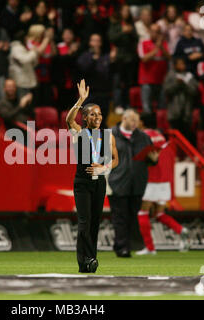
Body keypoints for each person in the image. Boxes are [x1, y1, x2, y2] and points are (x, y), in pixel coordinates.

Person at [66, 79, 118, 273]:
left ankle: (91, 260)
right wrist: (80, 101)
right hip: (82, 183)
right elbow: (69, 120)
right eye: (93, 114)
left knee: (95, 222)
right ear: (85, 118)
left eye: (99, 113)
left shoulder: (107, 135)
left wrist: (103, 168)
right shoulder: (80, 132)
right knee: (84, 222)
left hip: (99, 183)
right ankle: (83, 261)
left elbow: (115, 159)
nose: (98, 116)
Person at [136, 113, 190, 255]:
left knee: (142, 212)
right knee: (159, 214)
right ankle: (181, 230)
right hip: (164, 180)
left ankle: (150, 248)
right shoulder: (161, 137)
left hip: (151, 179)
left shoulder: (143, 137)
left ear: (142, 122)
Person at [108, 109, 158, 258]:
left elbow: (151, 158)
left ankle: (127, 245)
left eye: (137, 121)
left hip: (137, 183)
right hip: (117, 182)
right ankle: (122, 247)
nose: (135, 124)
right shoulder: (110, 135)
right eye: (132, 121)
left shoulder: (143, 137)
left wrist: (154, 159)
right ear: (124, 119)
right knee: (120, 217)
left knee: (132, 217)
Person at [77, 33, 117, 124]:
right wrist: (94, 59)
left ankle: (101, 138)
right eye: (93, 40)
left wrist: (113, 62)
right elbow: (84, 70)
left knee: (102, 122)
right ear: (90, 43)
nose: (96, 43)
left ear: (101, 43)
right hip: (89, 95)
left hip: (103, 95)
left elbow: (110, 74)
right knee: (88, 123)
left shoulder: (106, 58)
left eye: (98, 41)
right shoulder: (84, 57)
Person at [108, 3, 139, 114]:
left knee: (128, 84)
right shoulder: (115, 24)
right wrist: (123, 32)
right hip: (119, 58)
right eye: (124, 10)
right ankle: (118, 105)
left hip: (129, 58)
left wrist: (130, 32)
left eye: (127, 11)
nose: (125, 13)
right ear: (120, 12)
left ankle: (127, 105)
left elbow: (136, 38)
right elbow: (111, 38)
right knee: (117, 83)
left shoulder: (131, 24)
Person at [8, 28, 52, 99]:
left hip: (27, 81)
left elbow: (33, 63)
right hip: (21, 82)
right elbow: (25, 60)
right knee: (23, 102)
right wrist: (34, 51)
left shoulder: (23, 47)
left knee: (30, 103)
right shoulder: (16, 48)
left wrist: (34, 54)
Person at [138, 23, 170, 113]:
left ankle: (160, 127)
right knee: (147, 108)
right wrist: (156, 48)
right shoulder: (143, 43)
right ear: (149, 32)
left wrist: (161, 47)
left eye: (157, 32)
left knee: (162, 108)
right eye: (153, 31)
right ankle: (148, 126)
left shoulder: (164, 44)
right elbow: (144, 59)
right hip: (146, 81)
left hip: (161, 81)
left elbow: (170, 58)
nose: (155, 34)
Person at [163, 57, 198, 142]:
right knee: (174, 140)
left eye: (183, 64)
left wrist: (184, 85)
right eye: (180, 64)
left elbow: (194, 91)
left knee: (186, 139)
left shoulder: (189, 76)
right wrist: (177, 84)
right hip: (174, 113)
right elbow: (166, 90)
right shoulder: (170, 76)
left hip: (186, 113)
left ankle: (185, 155)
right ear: (175, 65)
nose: (182, 66)